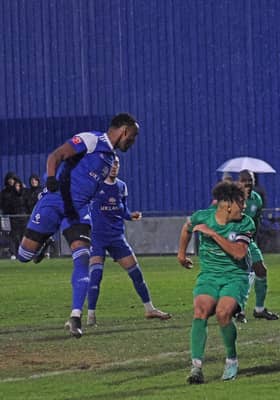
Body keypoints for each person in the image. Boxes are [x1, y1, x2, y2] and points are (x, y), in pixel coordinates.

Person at [17, 113, 140, 339]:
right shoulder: (91, 140)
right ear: (124, 131)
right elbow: (56, 155)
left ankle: (75, 316)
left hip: (78, 212)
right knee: (24, 255)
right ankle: (45, 240)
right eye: (132, 137)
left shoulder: (110, 160)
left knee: (82, 258)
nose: (132, 142)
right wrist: (52, 178)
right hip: (55, 202)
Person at [177, 181, 255, 384]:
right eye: (241, 202)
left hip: (235, 276)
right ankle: (196, 367)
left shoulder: (246, 223)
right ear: (228, 204)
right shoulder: (202, 217)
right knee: (200, 310)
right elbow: (187, 228)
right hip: (210, 276)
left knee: (223, 313)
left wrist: (213, 234)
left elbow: (239, 253)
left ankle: (231, 359)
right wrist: (181, 254)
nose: (244, 207)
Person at [86, 156, 171, 326]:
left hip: (117, 236)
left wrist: (130, 215)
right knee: (96, 275)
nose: (114, 166)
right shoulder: (95, 185)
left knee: (136, 273)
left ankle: (149, 309)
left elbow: (122, 209)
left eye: (117, 163)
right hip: (98, 237)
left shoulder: (121, 186)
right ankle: (90, 316)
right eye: (111, 163)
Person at [235, 169, 279, 323]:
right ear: (238, 182)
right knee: (240, 275)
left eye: (250, 180)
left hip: (248, 240)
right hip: (231, 239)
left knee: (260, 269)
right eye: (244, 180)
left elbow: (256, 222)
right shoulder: (231, 198)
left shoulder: (257, 199)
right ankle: (237, 310)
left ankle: (259, 309)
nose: (248, 183)